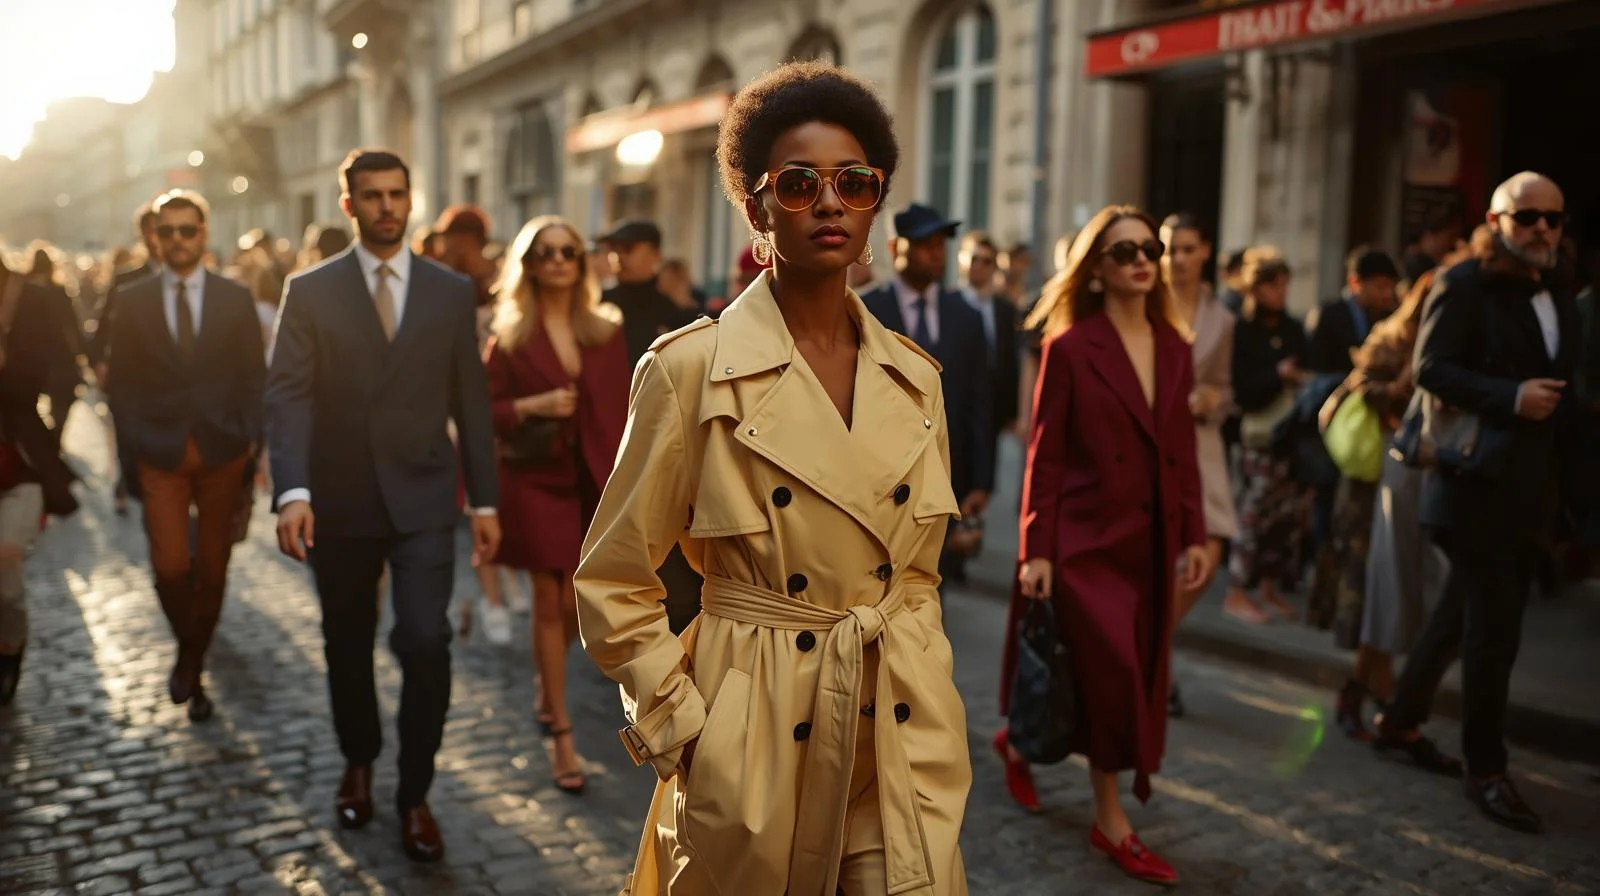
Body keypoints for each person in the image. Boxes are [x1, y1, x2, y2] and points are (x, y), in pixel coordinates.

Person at [575, 61, 970, 895]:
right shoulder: (691, 370)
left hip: (894, 717)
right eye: (798, 184)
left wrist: (926, 666)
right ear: (757, 209)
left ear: (874, 205)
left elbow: (921, 571)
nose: (829, 202)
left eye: (854, 182)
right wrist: (684, 726)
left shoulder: (916, 378)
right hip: (753, 723)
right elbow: (613, 578)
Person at [266, 149, 500, 862]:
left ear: (411, 197)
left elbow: (471, 403)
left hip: (426, 496)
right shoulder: (309, 291)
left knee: (425, 641)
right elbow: (289, 395)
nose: (387, 206)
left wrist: (485, 500)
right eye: (371, 196)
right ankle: (359, 757)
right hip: (338, 497)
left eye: (397, 193)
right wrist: (293, 491)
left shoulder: (449, 291)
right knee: (346, 639)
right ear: (349, 205)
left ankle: (415, 793)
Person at [1000, 206, 1212, 886]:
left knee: (1115, 674)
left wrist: (1197, 533)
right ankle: (1110, 818)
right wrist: (1035, 546)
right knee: (1116, 673)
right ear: (1097, 268)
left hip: (1150, 541)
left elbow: (1180, 452)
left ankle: (1019, 739)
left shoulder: (1175, 347)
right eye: (1124, 253)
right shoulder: (1070, 348)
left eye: (1149, 248)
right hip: (1084, 543)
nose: (1143, 260)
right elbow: (1046, 454)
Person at [1373, 172, 1580, 835]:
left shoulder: (1558, 289)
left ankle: (1400, 721)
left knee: (1459, 611)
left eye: (1553, 218)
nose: (1542, 230)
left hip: (1530, 490)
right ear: (1495, 221)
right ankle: (1486, 769)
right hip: (1470, 485)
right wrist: (1510, 396)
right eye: (1527, 218)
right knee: (1495, 633)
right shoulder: (1461, 283)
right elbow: (1431, 369)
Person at [106, 190, 265, 724]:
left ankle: (191, 660)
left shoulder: (233, 298)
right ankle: (190, 649)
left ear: (204, 232)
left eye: (187, 230)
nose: (177, 240)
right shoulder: (133, 300)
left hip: (223, 449)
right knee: (171, 564)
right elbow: (121, 385)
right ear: (155, 236)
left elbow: (252, 378)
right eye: (167, 231)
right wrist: (130, 449)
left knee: (214, 566)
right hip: (159, 450)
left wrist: (251, 441)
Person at [484, 215, 629, 794]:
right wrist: (534, 405)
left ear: (581, 260)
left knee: (577, 605)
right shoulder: (511, 335)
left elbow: (624, 414)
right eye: (545, 253)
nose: (559, 261)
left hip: (592, 482)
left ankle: (548, 688)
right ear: (529, 265)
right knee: (551, 596)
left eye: (569, 250)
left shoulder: (607, 329)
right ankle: (561, 736)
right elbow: (484, 411)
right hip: (535, 482)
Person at [862, 205, 993, 587]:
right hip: (879, 477)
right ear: (894, 246)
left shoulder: (964, 316)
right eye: (923, 244)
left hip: (944, 479)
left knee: (930, 590)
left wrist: (980, 482)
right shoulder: (867, 309)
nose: (936, 253)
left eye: (940, 244)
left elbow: (978, 403)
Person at [1158, 213, 1237, 718]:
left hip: (1201, 445)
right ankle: (1153, 666)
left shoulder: (1223, 318)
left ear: (1205, 251)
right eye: (1169, 249)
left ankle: (1152, 645)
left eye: (1187, 249)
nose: (1177, 259)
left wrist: (1214, 397)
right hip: (1151, 443)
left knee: (1212, 546)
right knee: (1158, 555)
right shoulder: (1145, 305)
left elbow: (1226, 387)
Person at [0, 253, 80, 705]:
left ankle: (10, 646)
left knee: (7, 555)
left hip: (20, 458)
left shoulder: (28, 296)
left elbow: (52, 363)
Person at [1225, 248, 1309, 624]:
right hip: (1257, 437)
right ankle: (1236, 590)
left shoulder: (1292, 327)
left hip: (1288, 436)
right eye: (1273, 286)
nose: (1280, 292)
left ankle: (1269, 588)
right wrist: (1277, 374)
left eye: (1284, 285)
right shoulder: (1240, 330)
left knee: (1285, 520)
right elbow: (1240, 388)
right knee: (1253, 515)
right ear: (1255, 288)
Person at [92, 200, 163, 517]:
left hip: (168, 380)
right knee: (128, 439)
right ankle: (126, 480)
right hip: (132, 378)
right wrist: (100, 362)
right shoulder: (126, 280)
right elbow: (103, 326)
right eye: (153, 230)